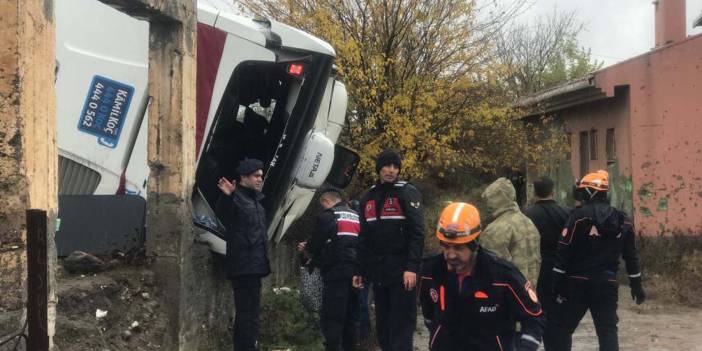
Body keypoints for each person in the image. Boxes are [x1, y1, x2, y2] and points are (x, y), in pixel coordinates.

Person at [419, 202, 545, 351]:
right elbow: (429, 315)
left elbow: (534, 317)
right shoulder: (429, 271)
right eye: (446, 246)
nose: (451, 255)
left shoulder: (503, 276)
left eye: (459, 248)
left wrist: (525, 347)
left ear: (475, 244)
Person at [547, 170, 645, 351]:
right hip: (606, 285)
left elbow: (563, 251)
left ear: (589, 192)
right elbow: (631, 257)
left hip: (576, 284)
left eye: (582, 191)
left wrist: (556, 284)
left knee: (561, 329)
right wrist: (636, 284)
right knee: (607, 332)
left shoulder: (577, 218)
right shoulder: (624, 221)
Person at [353, 149, 425, 351]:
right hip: (379, 272)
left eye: (395, 166)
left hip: (403, 273)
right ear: (379, 169)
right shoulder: (368, 197)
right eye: (387, 166)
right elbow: (363, 238)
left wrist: (412, 267)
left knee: (401, 329)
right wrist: (359, 270)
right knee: (383, 329)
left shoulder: (407, 192)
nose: (391, 170)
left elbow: (417, 234)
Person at [215, 158, 270, 351]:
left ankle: (249, 346)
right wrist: (229, 196)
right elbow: (224, 213)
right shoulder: (236, 199)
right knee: (246, 314)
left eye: (261, 176)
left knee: (252, 315)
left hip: (256, 266)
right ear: (243, 177)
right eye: (256, 176)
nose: (259, 179)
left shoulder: (257, 203)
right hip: (243, 266)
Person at [299, 187, 360, 351]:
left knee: (332, 318)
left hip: (336, 273)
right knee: (350, 318)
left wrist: (306, 249)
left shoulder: (328, 216)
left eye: (323, 205)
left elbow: (315, 244)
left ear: (326, 201)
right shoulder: (356, 215)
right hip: (356, 274)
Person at [480, 177, 541, 284]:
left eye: (490, 199)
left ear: (498, 199)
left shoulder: (495, 229)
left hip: (506, 296)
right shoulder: (528, 223)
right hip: (529, 294)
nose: (487, 204)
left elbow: (492, 271)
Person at [524, 177, 571, 312]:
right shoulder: (566, 213)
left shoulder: (527, 215)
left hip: (535, 268)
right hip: (560, 267)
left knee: (538, 307)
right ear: (553, 192)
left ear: (534, 193)